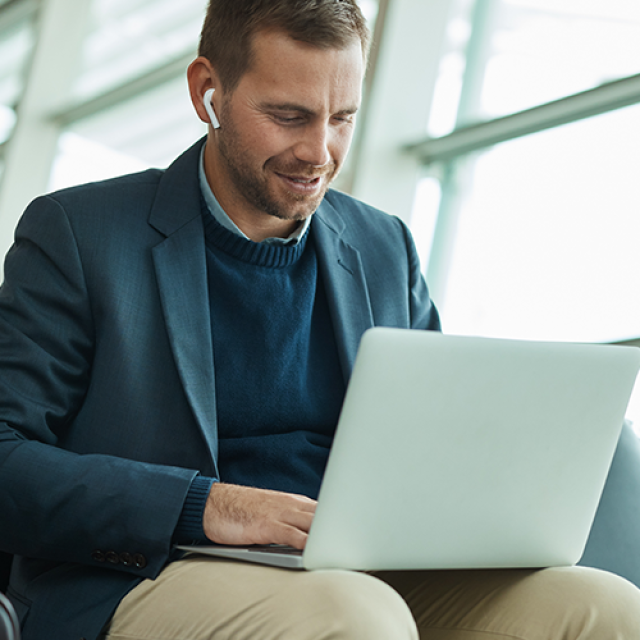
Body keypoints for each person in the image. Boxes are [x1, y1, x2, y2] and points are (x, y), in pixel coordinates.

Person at [1, 1, 640, 639]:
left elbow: (435, 445)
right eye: (288, 116)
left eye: (342, 119)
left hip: (355, 570)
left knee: (602, 607)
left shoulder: (383, 246)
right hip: (154, 568)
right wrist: (207, 506)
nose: (319, 151)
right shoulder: (79, 234)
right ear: (207, 92)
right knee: (358, 619)